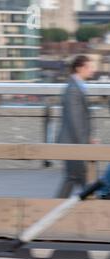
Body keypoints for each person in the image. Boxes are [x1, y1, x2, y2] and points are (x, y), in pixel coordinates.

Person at [56, 55, 95, 198]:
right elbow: (75, 121)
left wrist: (89, 138)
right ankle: (94, 210)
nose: (92, 70)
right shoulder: (73, 89)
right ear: (79, 68)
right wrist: (83, 145)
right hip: (73, 142)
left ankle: (54, 210)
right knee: (79, 179)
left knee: (74, 178)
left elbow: (79, 119)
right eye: (89, 67)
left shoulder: (77, 86)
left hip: (75, 141)